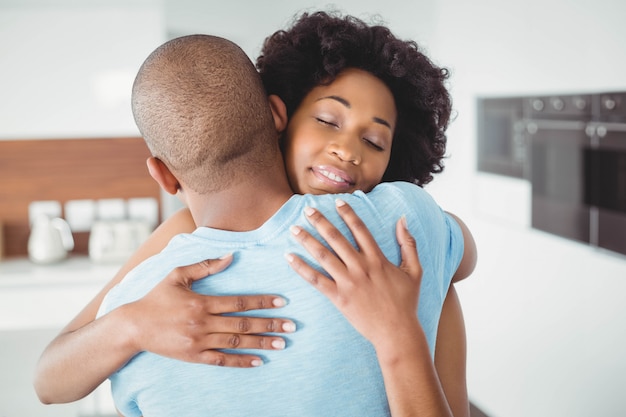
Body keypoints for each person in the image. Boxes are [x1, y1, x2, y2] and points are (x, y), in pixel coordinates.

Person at [34, 11, 476, 416]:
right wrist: (131, 324)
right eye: (327, 121)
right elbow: (50, 378)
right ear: (278, 114)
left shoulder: (398, 227)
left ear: (163, 175)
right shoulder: (405, 220)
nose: (346, 150)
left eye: (376, 142)